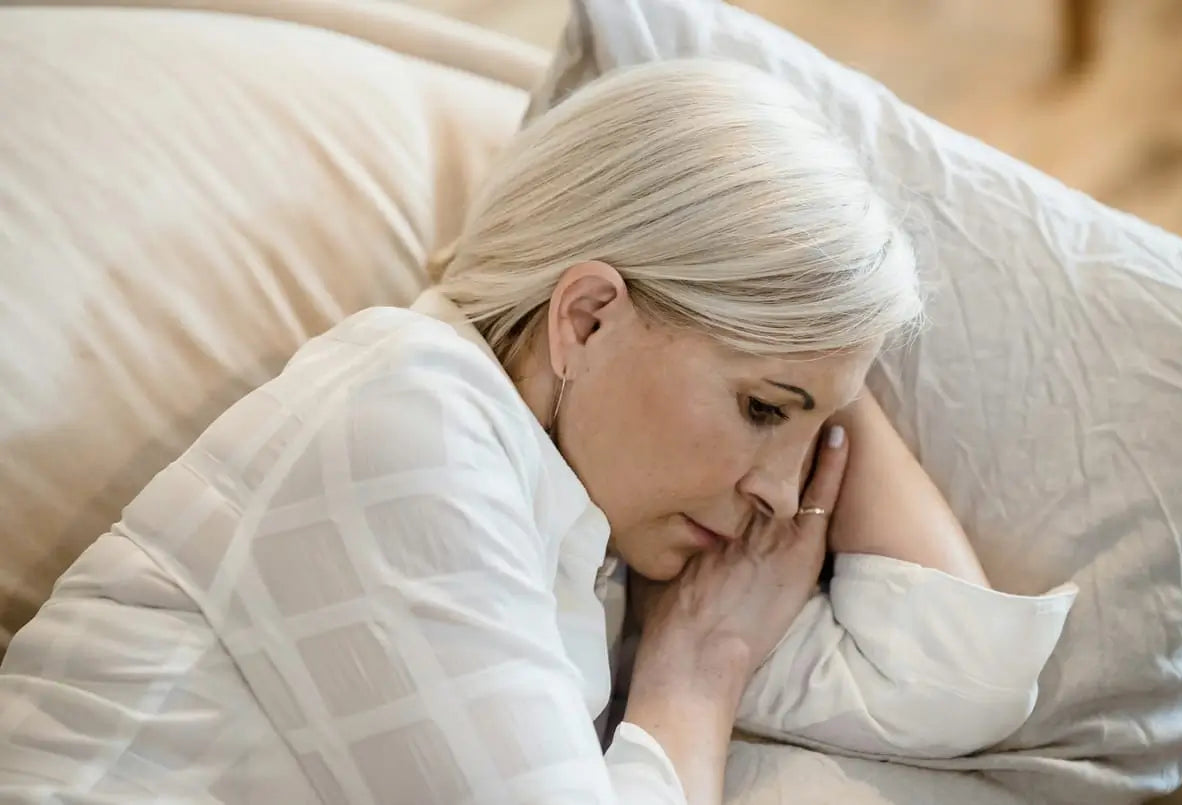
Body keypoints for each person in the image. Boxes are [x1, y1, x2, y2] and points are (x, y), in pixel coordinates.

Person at [0, 60, 1075, 804]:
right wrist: (694, 676)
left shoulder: (606, 526)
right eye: (759, 407)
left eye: (808, 431)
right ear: (587, 317)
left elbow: (953, 684)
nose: (780, 494)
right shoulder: (403, 417)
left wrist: (826, 348)